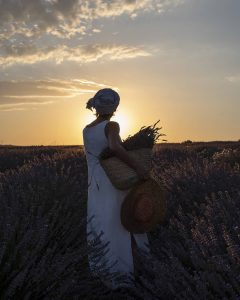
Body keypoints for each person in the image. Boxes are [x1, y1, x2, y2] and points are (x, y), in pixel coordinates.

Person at [82, 88, 150, 290]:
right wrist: (138, 166)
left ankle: (103, 273)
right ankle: (127, 275)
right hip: (114, 181)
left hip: (94, 184)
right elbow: (115, 148)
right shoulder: (111, 125)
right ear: (115, 107)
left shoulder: (86, 129)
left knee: (102, 223)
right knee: (124, 221)